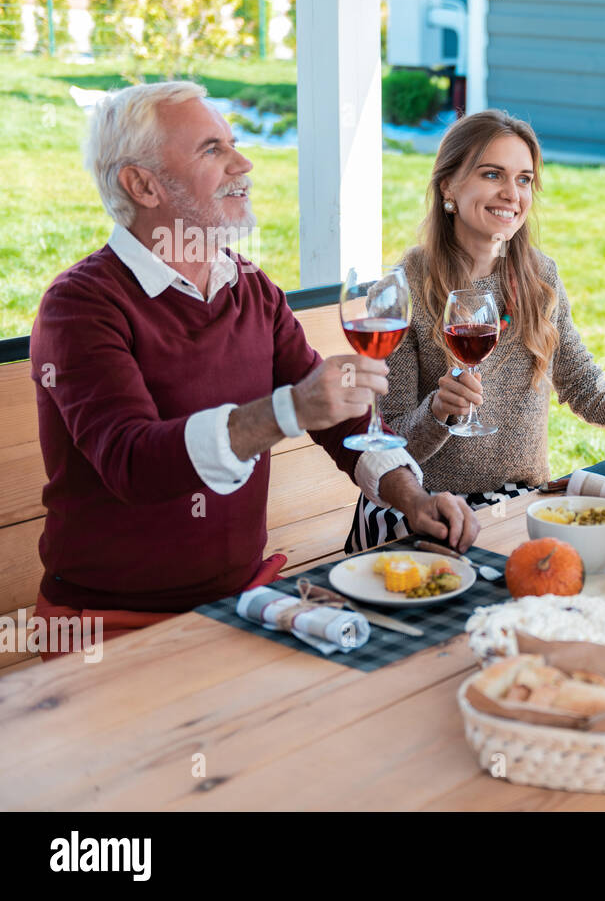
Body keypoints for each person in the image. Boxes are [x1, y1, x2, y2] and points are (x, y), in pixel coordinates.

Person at [29, 81, 477, 658]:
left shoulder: (250, 288)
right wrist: (287, 410)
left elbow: (337, 419)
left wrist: (411, 496)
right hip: (111, 623)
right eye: (212, 150)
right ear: (142, 184)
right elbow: (132, 462)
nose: (242, 163)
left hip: (245, 602)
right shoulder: (82, 304)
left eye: (233, 143)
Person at [346, 110, 605, 551]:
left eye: (524, 179)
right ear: (448, 185)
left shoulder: (539, 278)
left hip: (518, 500)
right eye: (493, 174)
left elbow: (587, 390)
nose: (512, 194)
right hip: (421, 510)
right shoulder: (403, 288)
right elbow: (386, 444)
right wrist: (437, 412)